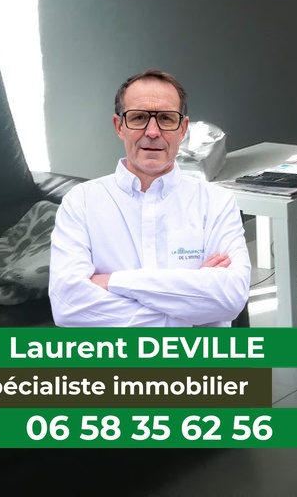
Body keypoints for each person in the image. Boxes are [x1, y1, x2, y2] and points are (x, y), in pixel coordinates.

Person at [49, 69, 250, 327]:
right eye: (139, 117)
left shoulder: (217, 202)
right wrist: (188, 306)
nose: (152, 131)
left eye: (166, 118)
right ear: (119, 126)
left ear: (182, 129)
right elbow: (68, 307)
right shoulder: (80, 203)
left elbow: (230, 299)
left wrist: (112, 282)